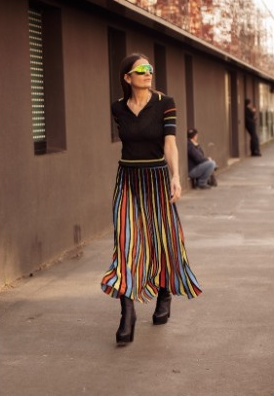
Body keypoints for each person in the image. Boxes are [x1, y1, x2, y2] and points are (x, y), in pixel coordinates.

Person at [100, 53, 202, 346]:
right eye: (141, 70)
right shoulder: (117, 108)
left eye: (150, 69)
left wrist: (175, 176)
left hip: (157, 179)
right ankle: (127, 312)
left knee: (162, 239)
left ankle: (165, 293)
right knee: (126, 241)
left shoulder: (165, 103)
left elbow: (169, 142)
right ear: (127, 78)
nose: (148, 73)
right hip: (128, 180)